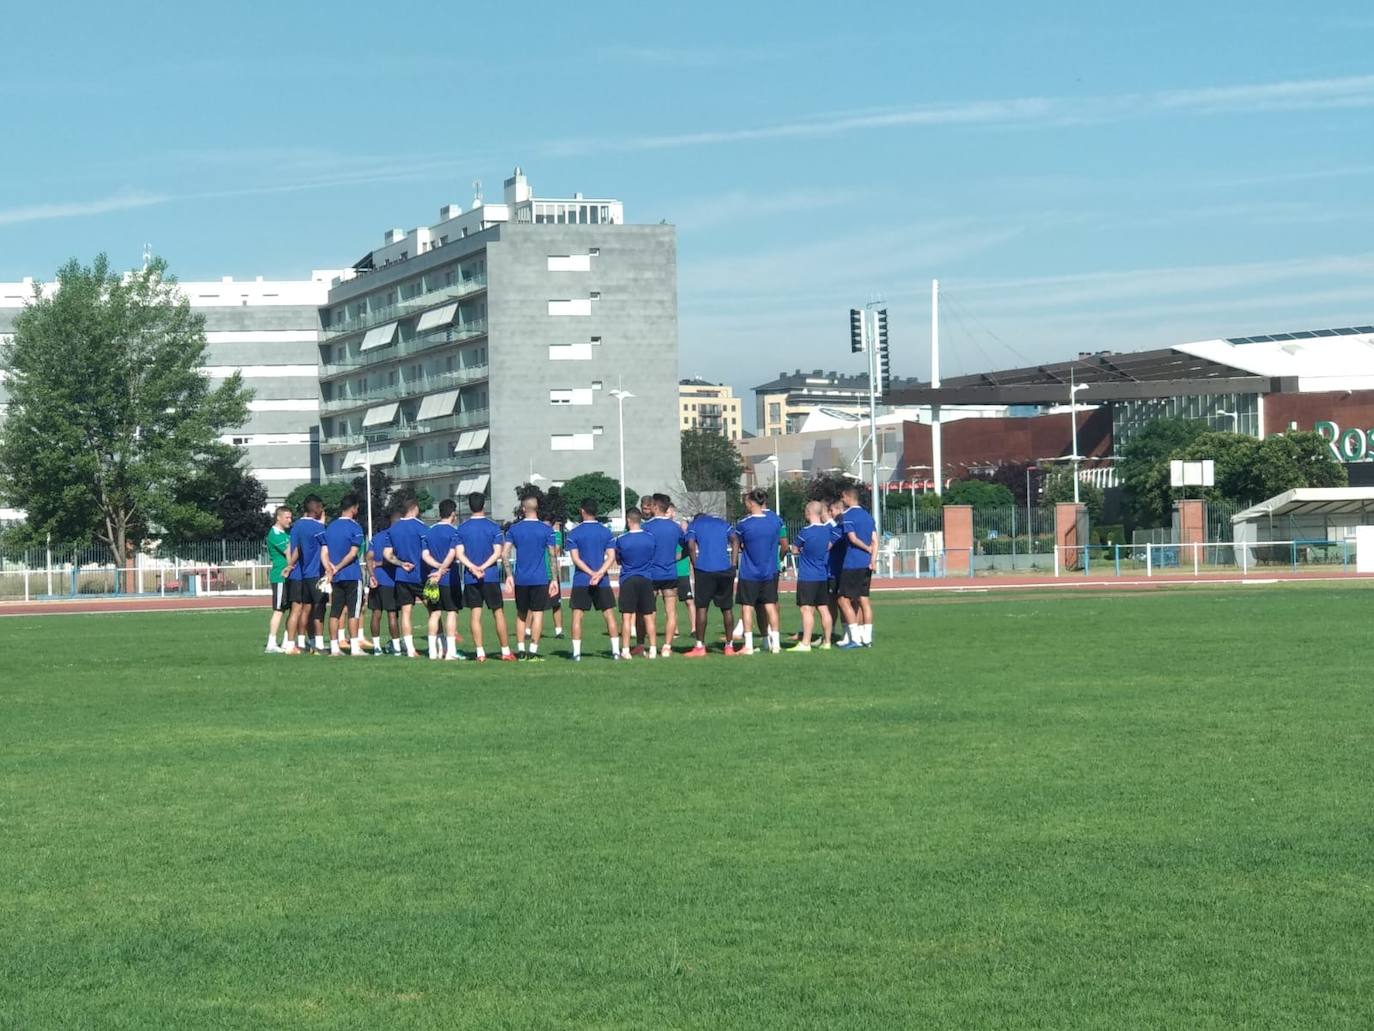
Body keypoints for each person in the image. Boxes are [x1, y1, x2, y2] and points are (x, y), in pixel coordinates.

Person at [455, 492, 514, 662]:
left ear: (469, 506)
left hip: (471, 577)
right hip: (490, 576)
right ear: (484, 505)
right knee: (498, 612)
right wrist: (483, 567)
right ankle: (505, 651)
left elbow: (459, 554)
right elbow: (497, 552)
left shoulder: (462, 528)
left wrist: (473, 567)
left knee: (475, 614)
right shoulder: (493, 527)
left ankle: (480, 653)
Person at [732, 488, 787, 655]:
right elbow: (782, 543)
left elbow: (738, 543)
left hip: (749, 573)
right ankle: (775, 644)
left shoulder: (743, 524)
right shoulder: (775, 523)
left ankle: (748, 645)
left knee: (747, 607)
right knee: (771, 605)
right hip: (769, 571)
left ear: (751, 503)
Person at [503, 496, 557, 661]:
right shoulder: (547, 530)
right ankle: (533, 651)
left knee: (521, 614)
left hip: (521, 579)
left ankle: (521, 651)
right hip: (539, 579)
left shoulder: (514, 529)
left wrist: (509, 576)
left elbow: (504, 554)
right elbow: (552, 555)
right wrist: (554, 579)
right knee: (538, 614)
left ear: (523, 509)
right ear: (537, 508)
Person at [565, 498, 619, 660]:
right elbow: (611, 557)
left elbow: (576, 559)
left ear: (582, 511)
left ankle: (576, 654)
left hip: (582, 579)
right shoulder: (606, 532)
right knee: (609, 614)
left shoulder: (574, 533)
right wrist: (599, 573)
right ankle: (616, 652)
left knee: (577, 616)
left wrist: (591, 573)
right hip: (602, 580)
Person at [684, 505, 738, 657]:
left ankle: (700, 647)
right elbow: (735, 540)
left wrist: (695, 564)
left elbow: (690, 545)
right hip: (724, 569)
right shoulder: (723, 523)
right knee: (727, 608)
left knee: (702, 608)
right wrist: (734, 564)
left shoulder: (694, 525)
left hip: (704, 569)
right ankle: (729, 646)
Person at [788, 501, 839, 652]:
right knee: (823, 608)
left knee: (806, 609)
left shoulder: (805, 532)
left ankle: (805, 643)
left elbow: (795, 549)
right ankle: (827, 641)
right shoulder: (827, 531)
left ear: (809, 512)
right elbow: (831, 543)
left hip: (807, 576)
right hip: (822, 575)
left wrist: (800, 550)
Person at [321, 493, 367, 657]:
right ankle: (355, 647)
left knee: (335, 611)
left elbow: (324, 552)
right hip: (351, 575)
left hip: (336, 577)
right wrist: (338, 567)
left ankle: (334, 648)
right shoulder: (355, 527)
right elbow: (353, 553)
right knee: (354, 612)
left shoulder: (330, 527)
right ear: (353, 508)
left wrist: (329, 568)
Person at [282, 495, 326, 655]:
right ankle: (293, 644)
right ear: (316, 508)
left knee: (301, 609)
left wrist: (289, 565)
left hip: (296, 572)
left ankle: (298, 642)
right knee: (307, 609)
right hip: (306, 573)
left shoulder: (297, 526)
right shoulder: (316, 527)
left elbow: (294, 548)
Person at [383, 498, 427, 658]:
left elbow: (387, 554)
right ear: (415, 508)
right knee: (433, 611)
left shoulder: (393, 529)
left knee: (406, 613)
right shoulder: (422, 527)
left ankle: (410, 650)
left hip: (402, 576)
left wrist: (401, 564)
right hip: (420, 575)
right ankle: (439, 646)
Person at [422, 498, 464, 661]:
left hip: (432, 578)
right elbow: (453, 554)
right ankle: (450, 652)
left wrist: (436, 567)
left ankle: (433, 652)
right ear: (453, 514)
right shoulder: (455, 532)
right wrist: (442, 569)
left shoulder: (429, 532)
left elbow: (425, 555)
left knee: (434, 613)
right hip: (449, 578)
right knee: (452, 612)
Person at [837, 484, 878, 649]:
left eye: (843, 497)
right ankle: (866, 638)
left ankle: (854, 638)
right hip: (866, 564)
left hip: (852, 563)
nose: (842, 500)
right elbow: (875, 540)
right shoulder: (868, 516)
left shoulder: (847, 516)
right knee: (863, 599)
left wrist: (866, 548)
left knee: (843, 599)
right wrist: (873, 559)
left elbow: (852, 538)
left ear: (848, 497)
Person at [614, 506, 658, 660]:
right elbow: (653, 556)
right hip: (646, 578)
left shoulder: (621, 539)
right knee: (648, 616)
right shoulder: (650, 538)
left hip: (628, 579)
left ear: (628, 520)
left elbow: (618, 559)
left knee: (627, 616)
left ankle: (626, 650)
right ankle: (653, 649)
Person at [644, 494, 685, 657]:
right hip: (670, 573)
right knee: (671, 612)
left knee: (650, 612)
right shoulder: (675, 527)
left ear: (655, 507)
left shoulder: (646, 527)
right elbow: (687, 546)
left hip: (651, 573)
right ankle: (667, 646)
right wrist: (677, 557)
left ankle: (653, 647)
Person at [367, 513, 401, 655]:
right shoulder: (395, 537)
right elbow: (393, 559)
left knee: (376, 613)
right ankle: (397, 648)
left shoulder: (375, 538)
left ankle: (376, 648)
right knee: (392, 614)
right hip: (390, 581)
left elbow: (369, 558)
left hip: (376, 580)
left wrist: (372, 575)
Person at [264, 505, 293, 652]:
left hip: (290, 576)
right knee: (279, 609)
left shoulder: (286, 533)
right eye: (287, 517)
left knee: (292, 609)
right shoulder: (274, 534)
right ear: (278, 517)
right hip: (280, 576)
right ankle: (271, 642)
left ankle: (287, 641)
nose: (290, 520)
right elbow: (288, 551)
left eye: (290, 517)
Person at [668, 503, 696, 644]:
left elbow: (688, 549)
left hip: (682, 572)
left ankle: (694, 628)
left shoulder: (682, 533)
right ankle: (675, 629)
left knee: (689, 601)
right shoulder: (668, 532)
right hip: (670, 572)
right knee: (671, 602)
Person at [825, 498, 847, 642]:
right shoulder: (841, 527)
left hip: (836, 570)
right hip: (837, 569)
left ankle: (845, 633)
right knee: (838, 602)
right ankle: (836, 632)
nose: (831, 513)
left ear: (839, 510)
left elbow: (827, 546)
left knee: (840, 602)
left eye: (832, 510)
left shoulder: (839, 528)